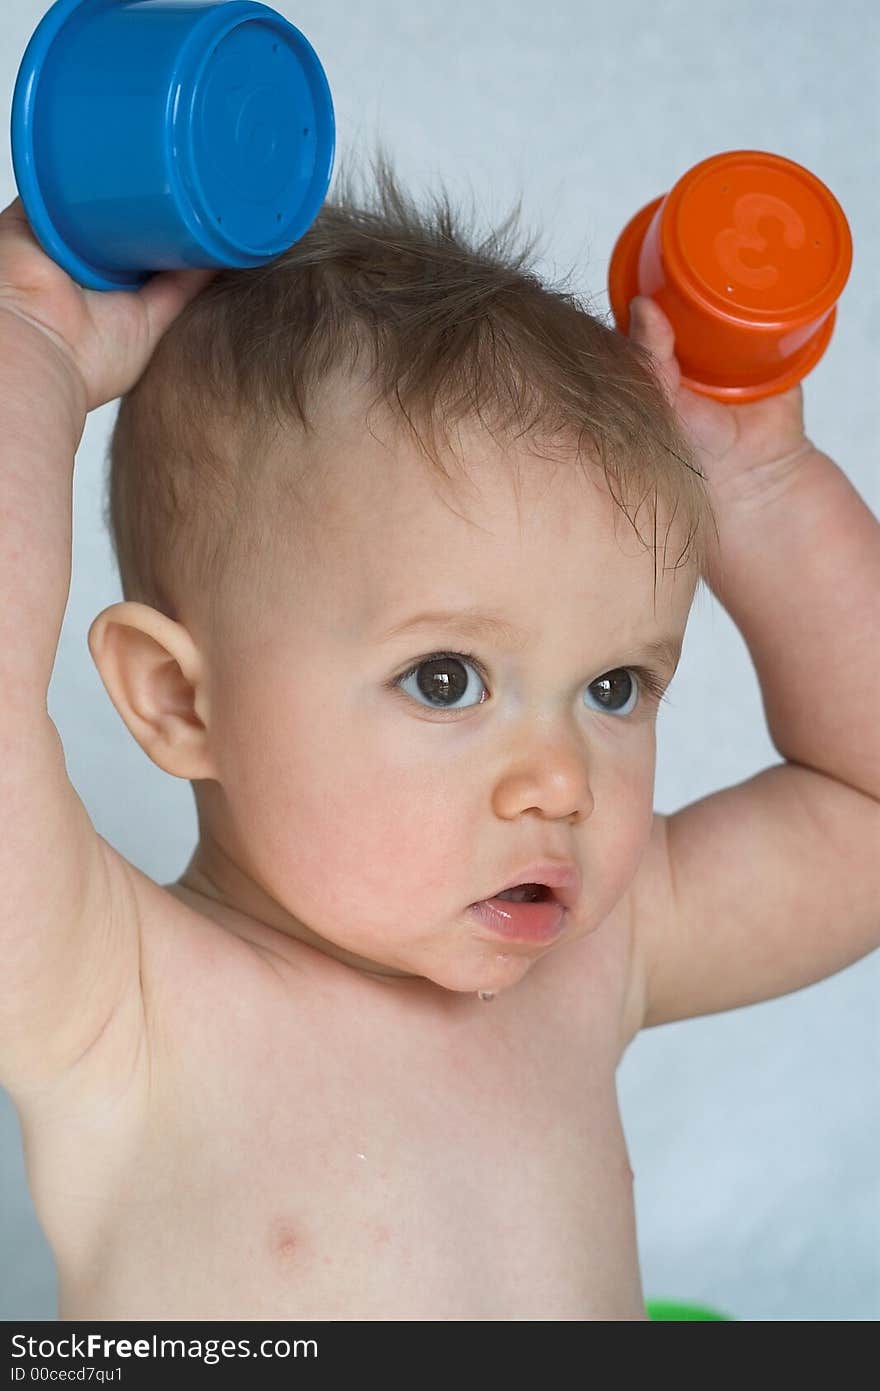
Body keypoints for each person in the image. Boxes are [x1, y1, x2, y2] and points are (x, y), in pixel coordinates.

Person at [1, 148, 877, 1321]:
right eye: (447, 676)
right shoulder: (119, 999)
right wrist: (33, 345)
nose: (562, 779)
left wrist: (761, 489)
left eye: (614, 686)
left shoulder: (593, 956)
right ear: (178, 699)